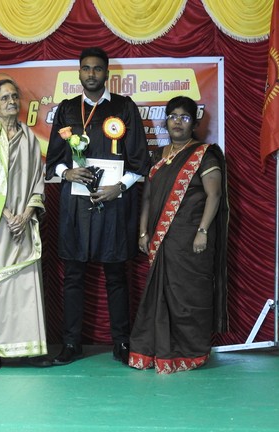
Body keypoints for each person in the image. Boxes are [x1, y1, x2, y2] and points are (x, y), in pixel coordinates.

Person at [45, 47, 150, 365]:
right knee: (73, 275)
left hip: (114, 203)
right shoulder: (66, 110)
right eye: (86, 68)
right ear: (79, 73)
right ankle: (71, 343)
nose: (91, 74)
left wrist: (120, 187)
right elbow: (54, 158)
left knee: (116, 275)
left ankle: (121, 342)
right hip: (76, 204)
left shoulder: (124, 107)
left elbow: (139, 160)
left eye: (97, 69)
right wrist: (67, 172)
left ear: (107, 73)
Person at [128, 96, 229, 374]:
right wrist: (143, 232)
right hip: (161, 240)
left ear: (194, 123)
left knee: (188, 297)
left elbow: (214, 195)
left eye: (184, 117)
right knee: (159, 295)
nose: (177, 122)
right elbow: (147, 198)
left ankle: (189, 353)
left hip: (190, 238)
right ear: (166, 121)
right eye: (173, 116)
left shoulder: (204, 155)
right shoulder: (158, 156)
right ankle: (155, 350)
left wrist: (203, 231)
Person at [0, 78, 50, 371]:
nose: (12, 102)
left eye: (14, 96)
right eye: (4, 98)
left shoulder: (29, 137)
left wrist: (25, 215)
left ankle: (31, 349)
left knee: (26, 287)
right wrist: (6, 215)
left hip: (24, 224)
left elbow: (38, 180)